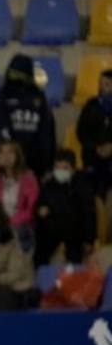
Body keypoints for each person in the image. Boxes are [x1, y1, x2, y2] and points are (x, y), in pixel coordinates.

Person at [0, 53, 55, 178]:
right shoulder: (3, 96)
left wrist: (47, 162)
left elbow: (46, 131)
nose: (16, 78)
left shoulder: (39, 98)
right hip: (6, 166)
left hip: (34, 164)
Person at [35, 149, 97, 267]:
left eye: (65, 168)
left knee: (74, 258)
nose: (60, 171)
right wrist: (39, 210)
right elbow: (39, 204)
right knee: (40, 253)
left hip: (75, 232)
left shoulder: (82, 185)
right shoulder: (49, 185)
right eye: (57, 167)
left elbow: (89, 213)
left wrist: (89, 240)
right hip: (52, 230)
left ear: (73, 169)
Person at [0, 140, 39, 251]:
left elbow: (31, 210)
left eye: (10, 152)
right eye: (2, 153)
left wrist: (10, 223)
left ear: (17, 156)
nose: (6, 156)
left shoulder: (29, 179)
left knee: (14, 235)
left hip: (21, 226)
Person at [76, 69, 112, 198]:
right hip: (92, 157)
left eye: (107, 84)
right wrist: (96, 148)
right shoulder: (91, 105)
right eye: (100, 83)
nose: (102, 87)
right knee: (90, 194)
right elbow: (81, 133)